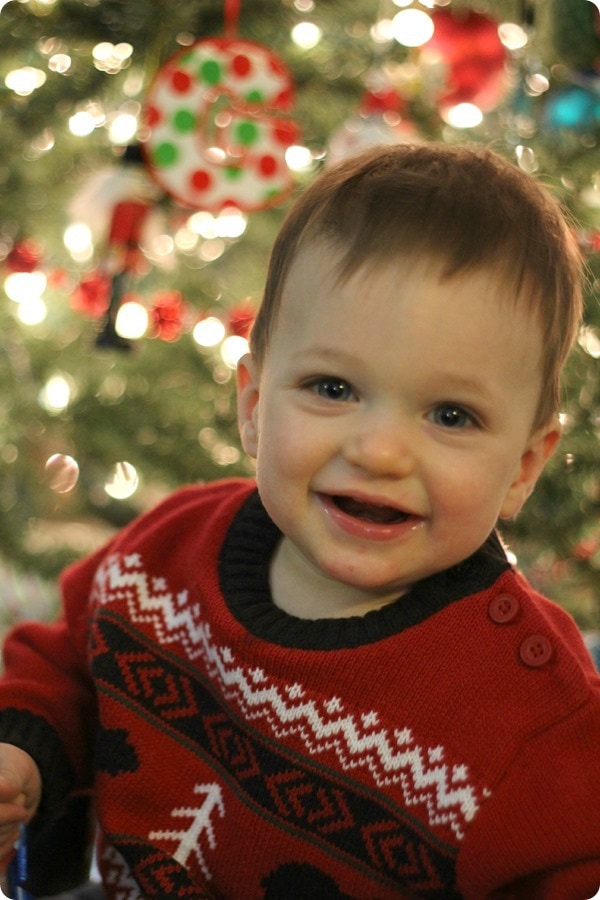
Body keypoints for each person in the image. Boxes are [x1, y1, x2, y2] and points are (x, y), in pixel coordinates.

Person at [0, 142, 598, 900]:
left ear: (521, 467)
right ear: (253, 406)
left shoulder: (535, 724)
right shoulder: (163, 553)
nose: (379, 451)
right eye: (333, 387)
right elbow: (64, 667)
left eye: (452, 415)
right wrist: (26, 757)